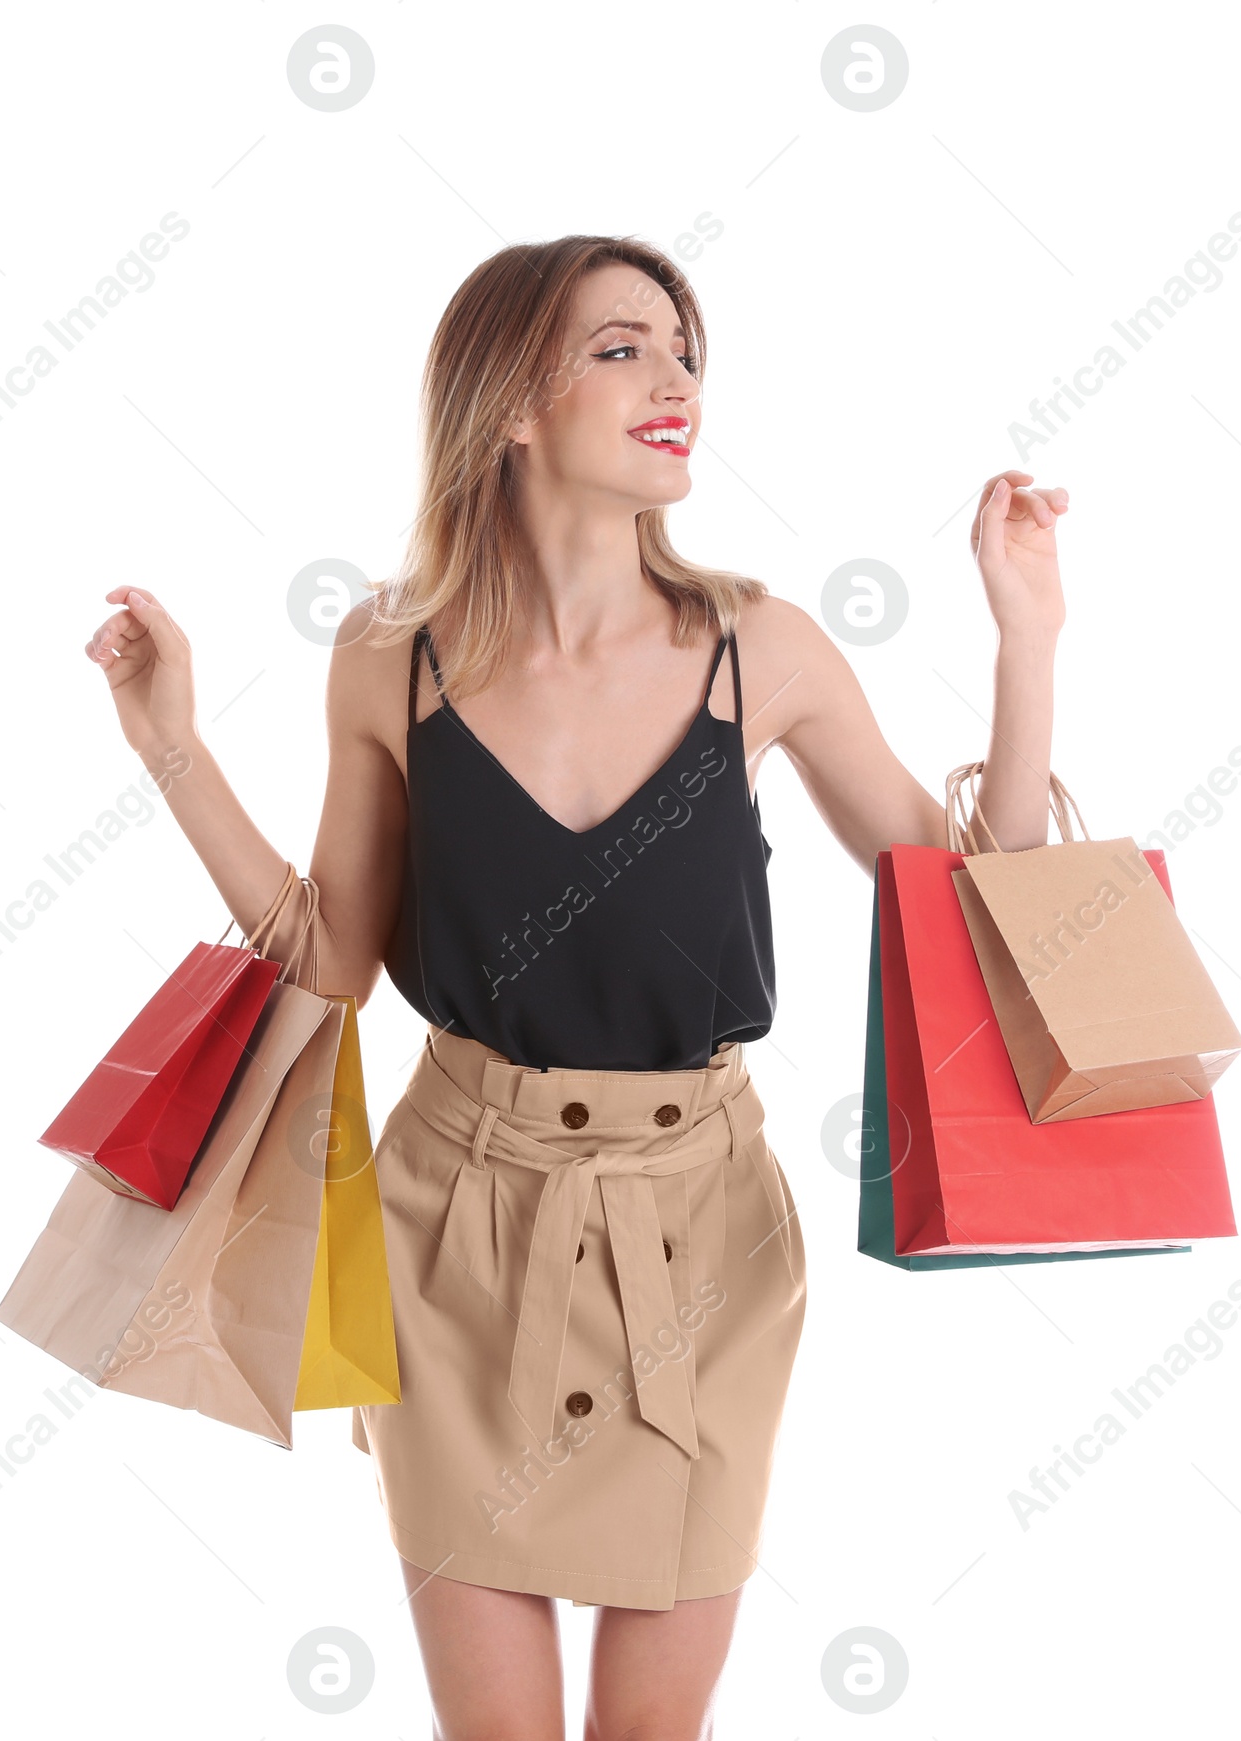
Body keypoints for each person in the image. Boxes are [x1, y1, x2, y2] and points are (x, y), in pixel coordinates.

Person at [83, 234, 1066, 1741]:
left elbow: (979, 907)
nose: (675, 379)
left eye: (684, 350)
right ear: (508, 408)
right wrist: (171, 747)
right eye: (623, 347)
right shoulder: (389, 658)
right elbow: (330, 960)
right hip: (449, 1238)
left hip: (708, 1241)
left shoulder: (763, 649)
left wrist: (1027, 638)